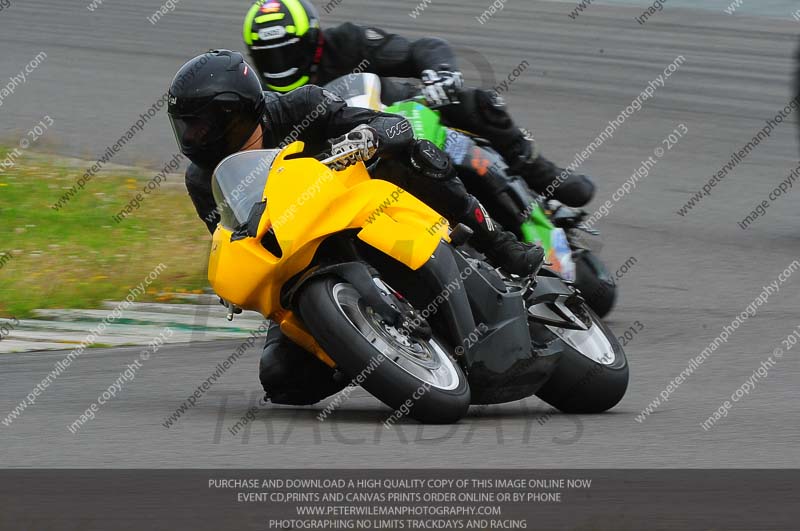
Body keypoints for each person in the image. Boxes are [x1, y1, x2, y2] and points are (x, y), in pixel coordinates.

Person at [167, 49, 543, 405]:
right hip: (297, 257)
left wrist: (371, 136)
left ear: (236, 113)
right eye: (185, 126)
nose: (191, 138)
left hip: (364, 204)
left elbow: (394, 126)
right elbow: (232, 234)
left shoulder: (302, 107)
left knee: (416, 154)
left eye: (200, 125)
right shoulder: (202, 179)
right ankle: (364, 349)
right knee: (282, 380)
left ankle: (498, 243)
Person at [241, 0, 595, 207]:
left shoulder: (347, 42)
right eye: (270, 56)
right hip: (342, 173)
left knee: (476, 102)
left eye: (290, 50)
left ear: (314, 40)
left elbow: (419, 49)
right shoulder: (263, 100)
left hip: (400, 117)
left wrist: (440, 73)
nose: (282, 63)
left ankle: (537, 172)